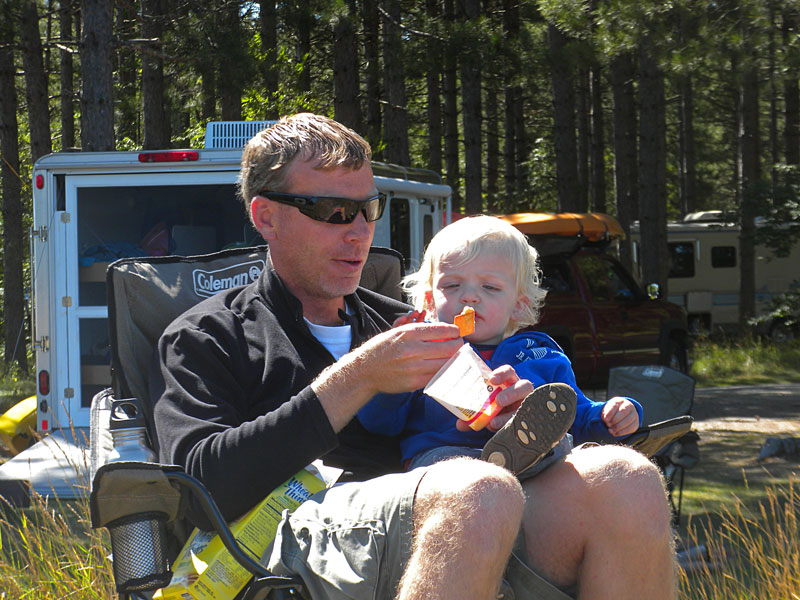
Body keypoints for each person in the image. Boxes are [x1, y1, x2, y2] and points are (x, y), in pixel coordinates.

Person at [150, 113, 677, 600]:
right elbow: (201, 486)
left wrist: (507, 411)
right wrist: (357, 379)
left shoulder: (412, 323)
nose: (358, 231)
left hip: (459, 521)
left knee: (626, 479)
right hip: (291, 534)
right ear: (266, 217)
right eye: (333, 211)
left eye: (368, 209)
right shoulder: (209, 334)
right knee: (478, 487)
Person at [357, 215, 643, 476]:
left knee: (568, 448)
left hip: (538, 472)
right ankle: (507, 459)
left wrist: (613, 415)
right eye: (452, 286)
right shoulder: (423, 353)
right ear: (430, 301)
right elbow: (377, 423)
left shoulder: (541, 355)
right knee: (450, 466)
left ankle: (520, 451)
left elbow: (578, 417)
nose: (469, 297)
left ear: (519, 306)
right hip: (447, 464)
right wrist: (396, 372)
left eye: (489, 287)